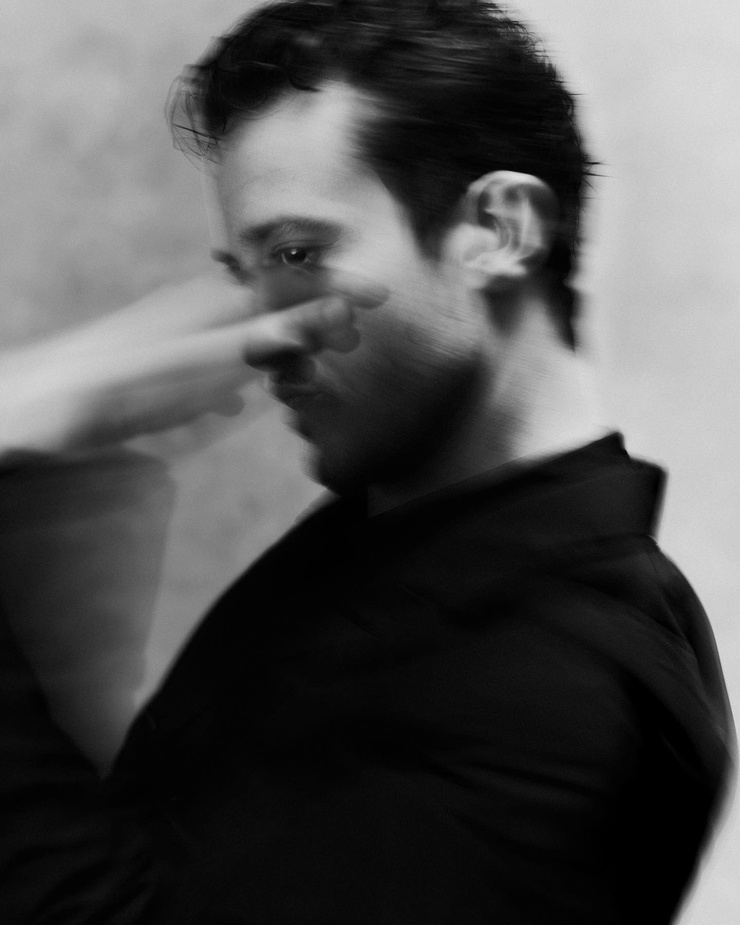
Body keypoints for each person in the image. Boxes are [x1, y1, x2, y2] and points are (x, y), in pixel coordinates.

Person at [0, 1, 733, 923]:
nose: (265, 335)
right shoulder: (402, 530)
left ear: (501, 228)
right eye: (247, 274)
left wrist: (30, 421)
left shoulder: (562, 695)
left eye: (298, 253)